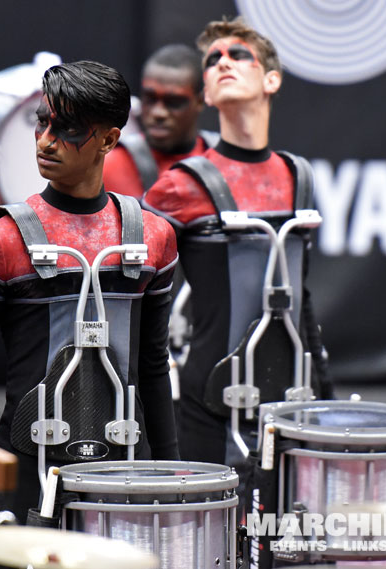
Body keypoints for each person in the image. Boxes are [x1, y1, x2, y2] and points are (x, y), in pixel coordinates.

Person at [0, 61, 180, 536]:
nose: (45, 140)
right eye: (42, 122)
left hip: (126, 477)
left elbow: (151, 370)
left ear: (109, 140)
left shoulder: (154, 238)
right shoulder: (1, 240)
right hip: (26, 481)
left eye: (67, 129)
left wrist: (171, 481)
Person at [142, 17, 332, 468]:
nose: (223, 62)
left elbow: (300, 301)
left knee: (282, 531)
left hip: (290, 398)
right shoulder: (180, 186)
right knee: (213, 533)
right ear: (206, 94)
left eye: (238, 55)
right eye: (213, 61)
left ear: (272, 79)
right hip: (206, 405)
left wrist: (327, 397)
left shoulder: (299, 178)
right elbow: (134, 295)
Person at [103, 43, 217, 199]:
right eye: (150, 99)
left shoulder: (220, 161)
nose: (159, 113)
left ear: (200, 101)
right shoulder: (108, 167)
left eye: (174, 102)